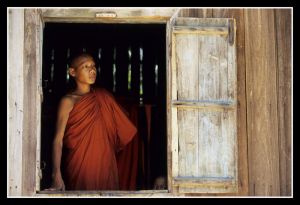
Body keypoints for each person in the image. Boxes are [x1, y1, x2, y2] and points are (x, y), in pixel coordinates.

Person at [46, 53, 137, 191]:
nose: (92, 70)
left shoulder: (103, 96)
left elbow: (123, 130)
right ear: (72, 72)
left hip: (106, 162)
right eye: (86, 66)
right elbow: (58, 140)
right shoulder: (68, 101)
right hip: (80, 163)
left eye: (93, 66)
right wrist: (56, 174)